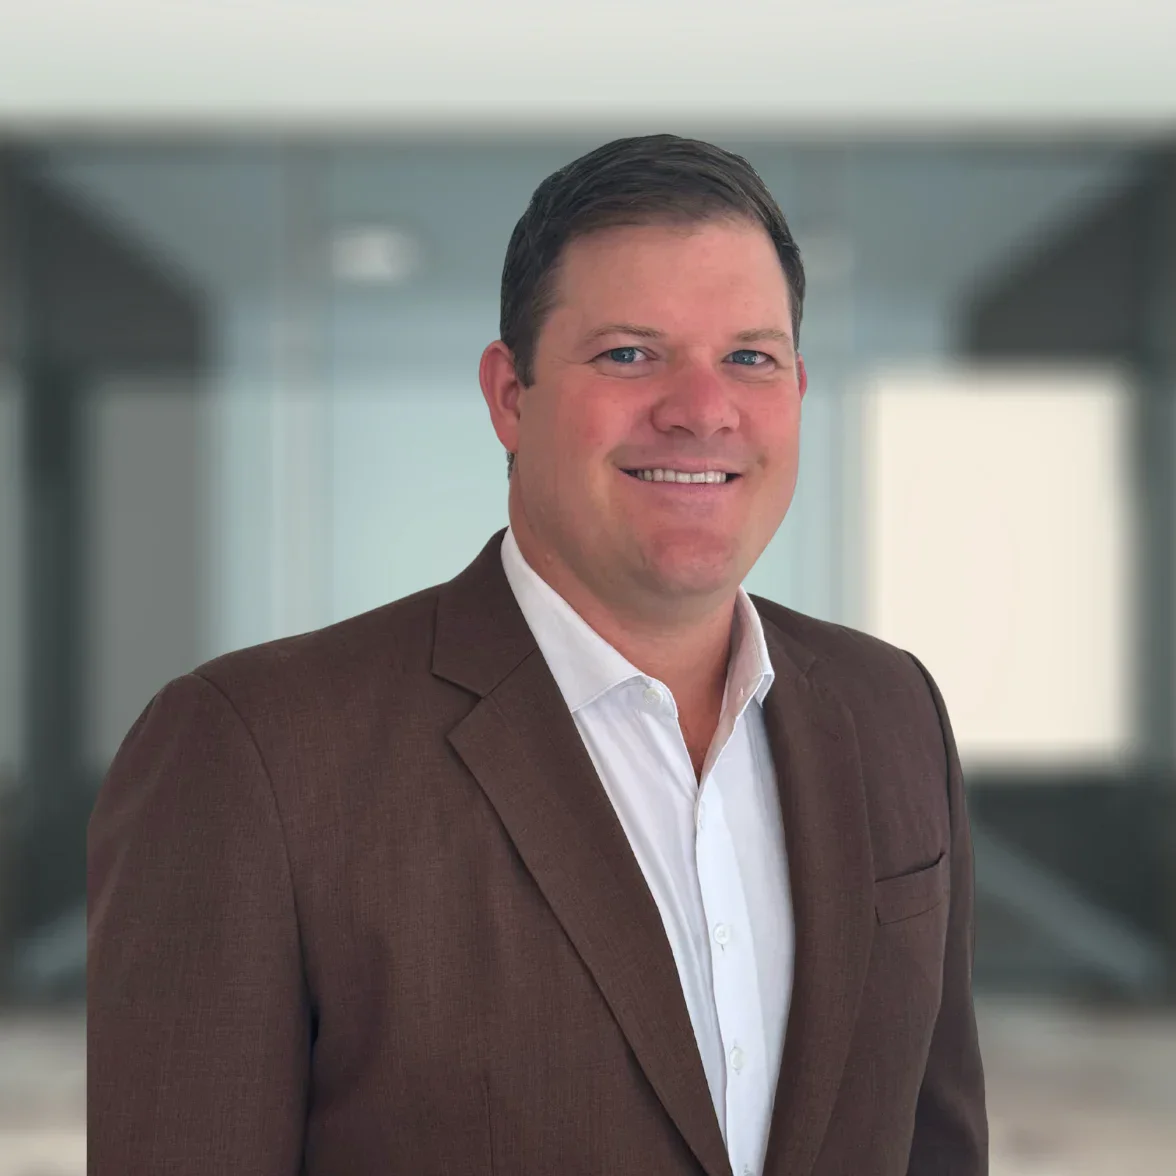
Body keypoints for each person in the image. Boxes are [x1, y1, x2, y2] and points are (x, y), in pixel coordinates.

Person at [88, 133, 988, 1176]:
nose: (702, 409)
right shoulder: (256, 753)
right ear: (510, 396)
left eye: (749, 356)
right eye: (629, 354)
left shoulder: (893, 710)